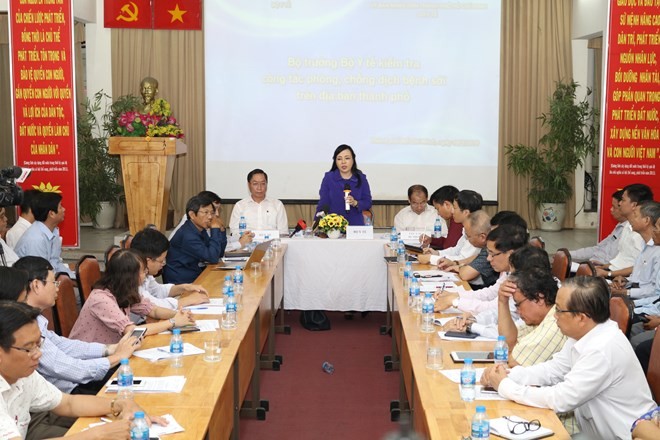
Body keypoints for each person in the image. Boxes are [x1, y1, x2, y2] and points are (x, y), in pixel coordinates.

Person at [480, 277, 656, 439]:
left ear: (581, 317)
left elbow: (561, 399)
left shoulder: (602, 349)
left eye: (559, 310)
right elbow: (553, 370)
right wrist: (507, 374)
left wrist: (505, 386)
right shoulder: (585, 333)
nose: (554, 316)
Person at [0, 301, 165, 439]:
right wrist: (97, 435)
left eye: (39, 344)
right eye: (29, 348)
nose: (38, 354)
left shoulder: (23, 375)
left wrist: (120, 404)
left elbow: (68, 403)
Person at [10, 256, 140, 395]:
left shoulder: (38, 320)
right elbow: (71, 370)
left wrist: (110, 349)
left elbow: (65, 345)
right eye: (54, 282)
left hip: (73, 385)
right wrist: (118, 356)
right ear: (36, 285)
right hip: (63, 395)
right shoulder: (23, 327)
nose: (57, 288)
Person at [70, 249, 195, 344]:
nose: (145, 275)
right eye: (142, 272)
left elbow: (154, 310)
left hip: (114, 354)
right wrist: (172, 322)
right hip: (91, 363)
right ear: (129, 276)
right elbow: (132, 331)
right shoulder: (101, 299)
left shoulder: (123, 290)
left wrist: (179, 315)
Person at [433, 224, 529, 313]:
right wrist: (455, 294)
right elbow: (490, 293)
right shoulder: (508, 271)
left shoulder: (525, 278)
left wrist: (455, 301)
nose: (488, 258)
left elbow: (494, 308)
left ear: (510, 254)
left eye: (492, 254)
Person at [131, 227, 210, 309]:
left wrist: (185, 287)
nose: (164, 263)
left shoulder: (146, 274)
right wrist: (185, 301)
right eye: (161, 261)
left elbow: (158, 291)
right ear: (148, 261)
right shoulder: (131, 279)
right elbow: (152, 305)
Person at [610, 201, 660, 315]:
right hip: (636, 296)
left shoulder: (657, 251)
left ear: (646, 220)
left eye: (635, 215)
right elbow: (640, 279)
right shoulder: (645, 245)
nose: (630, 219)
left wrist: (626, 292)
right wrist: (625, 281)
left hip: (645, 303)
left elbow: (654, 291)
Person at [164, 194, 228, 284]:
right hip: (181, 282)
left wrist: (221, 230)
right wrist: (215, 230)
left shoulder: (199, 229)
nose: (210, 217)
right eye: (206, 212)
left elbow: (218, 254)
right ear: (192, 215)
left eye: (212, 213)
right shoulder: (188, 235)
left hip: (194, 275)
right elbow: (212, 258)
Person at [595, 183, 653, 278]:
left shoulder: (642, 232)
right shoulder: (627, 226)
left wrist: (608, 273)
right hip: (612, 271)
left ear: (634, 205)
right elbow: (622, 259)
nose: (620, 203)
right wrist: (604, 267)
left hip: (623, 278)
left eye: (623, 200)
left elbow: (641, 267)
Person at [14, 191, 75, 278]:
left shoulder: (53, 231)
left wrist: (74, 279)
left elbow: (55, 263)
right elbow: (39, 275)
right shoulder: (35, 239)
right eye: (60, 207)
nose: (64, 209)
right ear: (51, 213)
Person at [418, 189, 482, 266]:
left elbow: (463, 259)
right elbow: (456, 250)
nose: (452, 212)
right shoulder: (465, 229)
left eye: (454, 208)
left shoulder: (477, 231)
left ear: (466, 213)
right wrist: (437, 253)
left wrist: (431, 258)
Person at [316, 144, 372, 226]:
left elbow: (368, 202)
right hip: (334, 226)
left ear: (353, 160)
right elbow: (323, 203)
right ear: (335, 161)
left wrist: (355, 203)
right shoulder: (329, 178)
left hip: (355, 225)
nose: (343, 162)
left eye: (347, 158)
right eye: (339, 159)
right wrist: (316, 222)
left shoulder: (361, 178)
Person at [442, 210, 498, 288]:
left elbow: (466, 275)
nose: (468, 240)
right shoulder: (487, 245)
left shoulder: (492, 248)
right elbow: (476, 256)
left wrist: (459, 267)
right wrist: (455, 263)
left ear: (482, 237)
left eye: (469, 236)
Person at [569, 189, 626, 266]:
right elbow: (598, 248)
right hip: (593, 264)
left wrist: (604, 268)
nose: (611, 209)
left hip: (603, 270)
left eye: (614, 207)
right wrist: (569, 254)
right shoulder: (619, 227)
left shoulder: (630, 232)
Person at [229, 169, 289, 240]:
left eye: (263, 183)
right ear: (249, 185)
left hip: (272, 246)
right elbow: (234, 232)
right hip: (247, 247)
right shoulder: (240, 206)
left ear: (267, 184)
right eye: (255, 184)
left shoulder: (277, 205)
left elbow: (283, 233)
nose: (259, 188)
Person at [420, 185, 459, 250]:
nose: (438, 213)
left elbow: (450, 247)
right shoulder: (454, 219)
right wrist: (431, 240)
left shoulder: (458, 220)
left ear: (447, 204)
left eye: (438, 208)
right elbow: (449, 242)